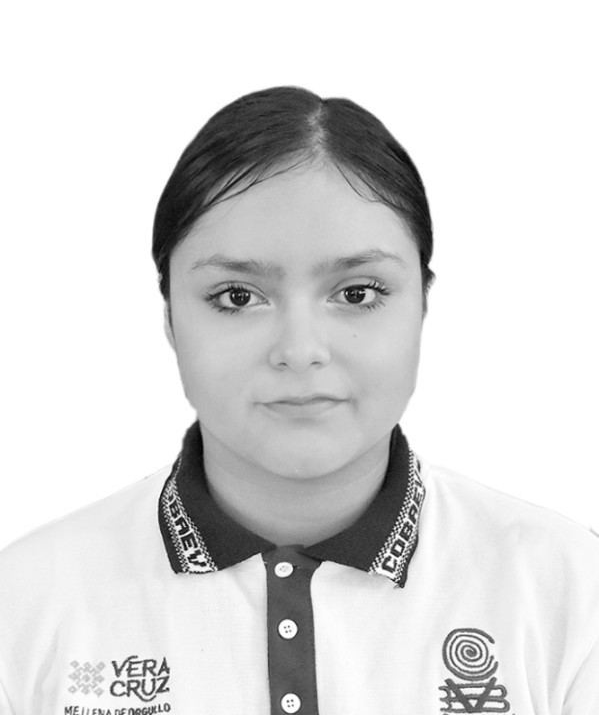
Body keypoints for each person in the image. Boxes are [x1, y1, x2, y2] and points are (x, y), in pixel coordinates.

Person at [0, 86, 597, 714]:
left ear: (423, 304)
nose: (300, 349)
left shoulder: (566, 593)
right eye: (237, 297)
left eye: (358, 293)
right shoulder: (30, 603)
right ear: (170, 317)